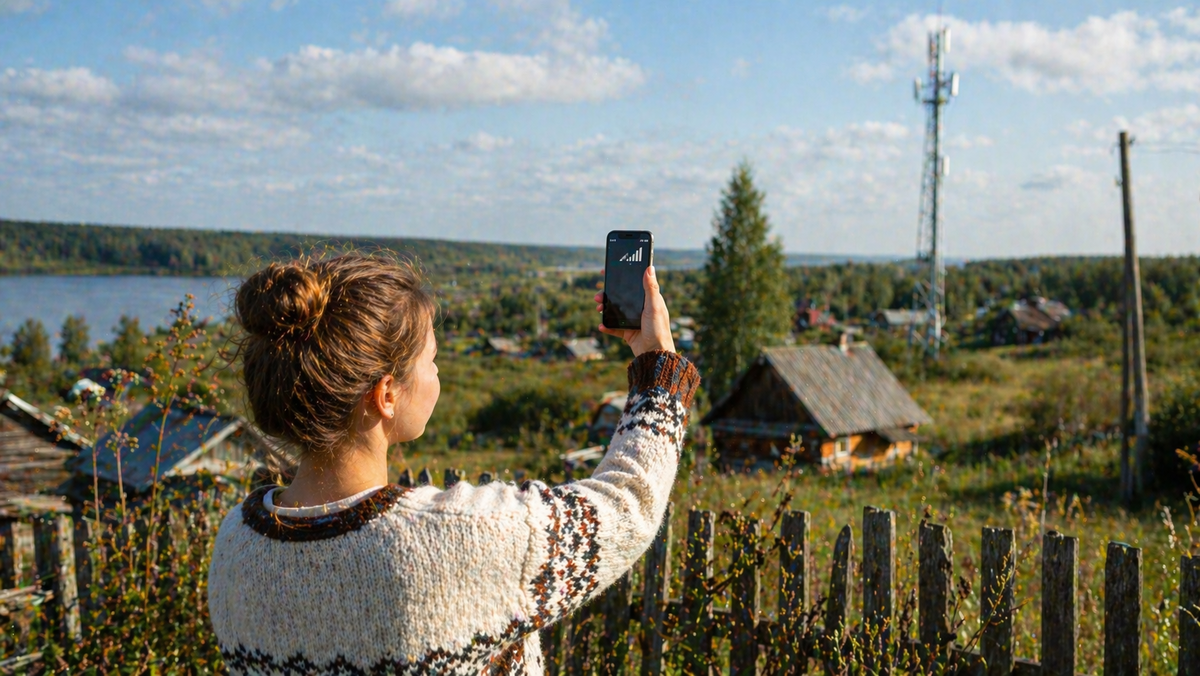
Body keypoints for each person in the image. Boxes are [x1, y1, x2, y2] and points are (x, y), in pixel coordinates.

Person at [207, 252, 699, 675]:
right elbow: (627, 507)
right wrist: (658, 366)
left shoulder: (235, 544)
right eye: (432, 361)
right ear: (385, 395)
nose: (437, 374)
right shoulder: (457, 537)